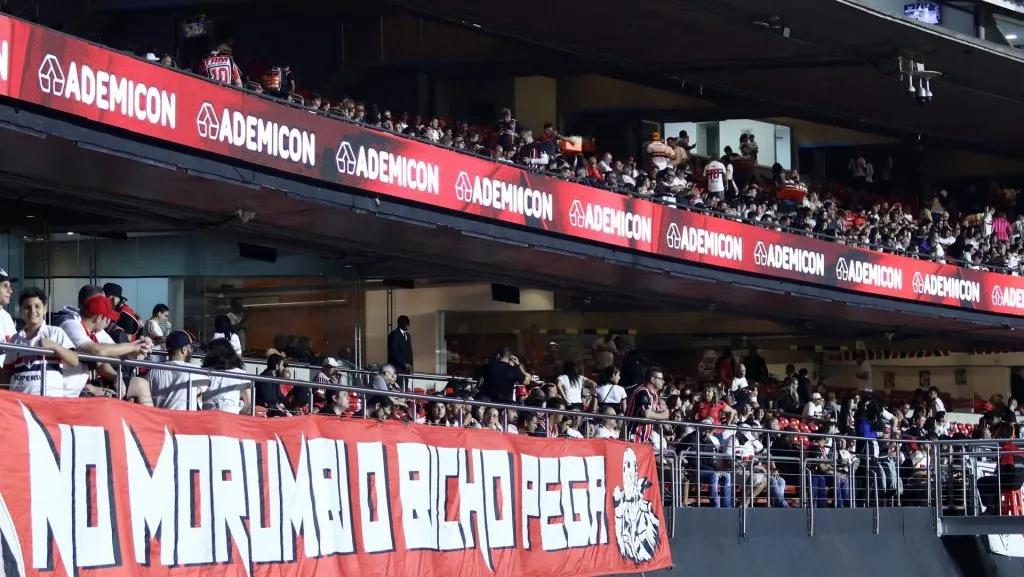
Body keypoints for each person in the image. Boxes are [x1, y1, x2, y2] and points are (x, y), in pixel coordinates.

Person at [60, 294, 153, 402]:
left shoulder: (95, 329)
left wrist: (140, 346)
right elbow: (97, 350)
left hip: (84, 386)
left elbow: (114, 351)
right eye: (108, 318)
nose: (109, 322)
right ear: (99, 318)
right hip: (68, 391)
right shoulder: (70, 324)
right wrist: (132, 347)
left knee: (140, 385)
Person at [1, 287, 79, 396]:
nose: (33, 310)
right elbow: (6, 373)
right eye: (27, 307)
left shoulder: (55, 332)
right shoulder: (15, 339)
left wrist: (55, 346)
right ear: (21, 311)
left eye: (37, 306)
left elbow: (75, 360)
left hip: (49, 403)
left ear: (45, 309)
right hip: (20, 404)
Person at [147, 331, 204, 410]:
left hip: (160, 420)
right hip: (185, 420)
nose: (192, 351)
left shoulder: (153, 370)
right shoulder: (194, 370)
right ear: (184, 350)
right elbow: (208, 390)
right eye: (190, 348)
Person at [200, 338, 251, 414]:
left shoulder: (204, 372)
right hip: (231, 418)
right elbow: (248, 405)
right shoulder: (240, 373)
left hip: (208, 417)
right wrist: (237, 413)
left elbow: (197, 397)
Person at [624, 367, 670, 444]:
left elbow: (657, 411)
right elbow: (647, 414)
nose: (664, 381)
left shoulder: (655, 394)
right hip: (634, 437)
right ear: (652, 380)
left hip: (645, 439)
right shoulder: (642, 392)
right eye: (661, 379)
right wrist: (663, 415)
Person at [0, 268, 17, 370]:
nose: (10, 291)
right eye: (4, 286)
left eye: (10, 286)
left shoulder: (7, 316)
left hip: (6, 376)